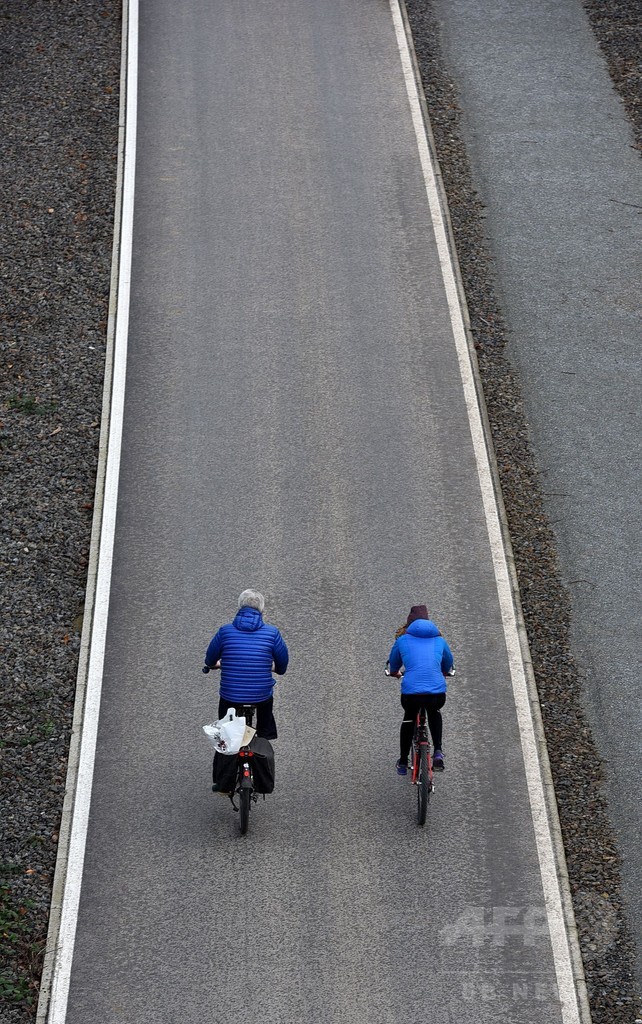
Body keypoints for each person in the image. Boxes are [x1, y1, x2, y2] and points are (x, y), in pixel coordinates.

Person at [203, 589, 289, 742]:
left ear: (240, 607)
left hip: (230, 696)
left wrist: (214, 664)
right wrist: (274, 667)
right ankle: (264, 739)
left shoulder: (225, 632)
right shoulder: (272, 633)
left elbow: (210, 659)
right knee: (265, 718)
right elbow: (282, 665)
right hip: (261, 696)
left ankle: (225, 757)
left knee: (225, 734)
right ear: (261, 609)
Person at [387, 604, 454, 774]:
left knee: (409, 718)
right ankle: (438, 751)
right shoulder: (440, 640)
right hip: (436, 693)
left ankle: (403, 762)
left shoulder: (402, 640)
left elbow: (394, 664)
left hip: (411, 694)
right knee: (434, 711)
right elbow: (448, 663)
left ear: (409, 624)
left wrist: (394, 673)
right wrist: (444, 673)